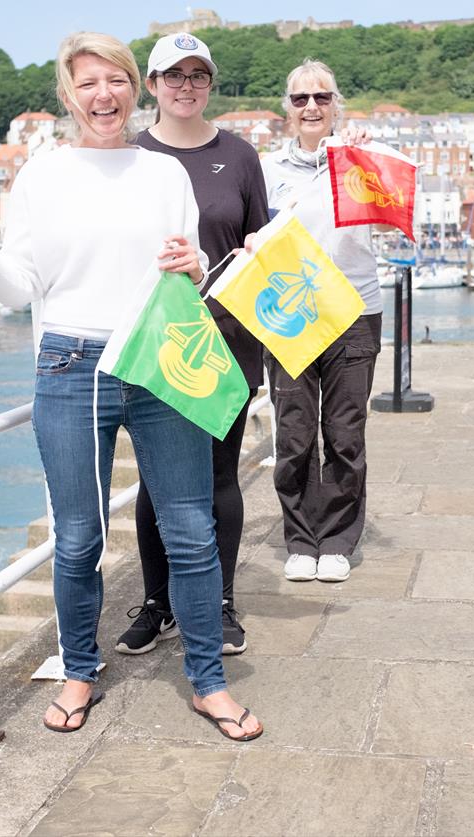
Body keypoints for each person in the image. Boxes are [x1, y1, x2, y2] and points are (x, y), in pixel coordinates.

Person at [0, 32, 262, 741]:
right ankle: (80, 669)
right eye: (88, 84)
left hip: (160, 355)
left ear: (135, 88)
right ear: (68, 95)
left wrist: (192, 262)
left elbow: (187, 269)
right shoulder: (43, 175)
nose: (103, 95)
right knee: (78, 538)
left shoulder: (164, 173)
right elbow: (23, 284)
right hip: (72, 365)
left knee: (192, 531)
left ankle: (208, 681)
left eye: (115, 80)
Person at [115, 32, 268, 658]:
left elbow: (262, 242)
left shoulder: (238, 156)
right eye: (172, 75)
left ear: (210, 84)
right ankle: (159, 602)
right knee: (157, 481)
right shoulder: (128, 157)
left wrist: (261, 248)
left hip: (228, 340)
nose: (185, 86)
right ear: (151, 85)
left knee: (218, 474)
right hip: (158, 339)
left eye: (197, 75)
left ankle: (220, 600)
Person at [258, 59, 382, 583]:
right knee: (294, 432)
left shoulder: (361, 159)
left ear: (337, 106)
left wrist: (360, 157)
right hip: (290, 312)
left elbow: (390, 215)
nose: (311, 106)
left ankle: (336, 539)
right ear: (288, 108)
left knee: (345, 432)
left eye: (322, 97)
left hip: (354, 308)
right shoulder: (266, 170)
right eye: (301, 99)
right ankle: (300, 537)